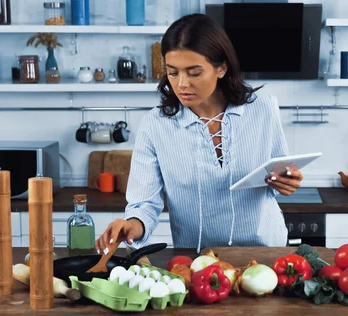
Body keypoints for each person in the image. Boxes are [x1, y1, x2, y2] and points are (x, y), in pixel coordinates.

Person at [95, 13, 304, 255]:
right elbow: (145, 204)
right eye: (173, 72)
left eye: (194, 72)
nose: (182, 83)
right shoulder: (156, 125)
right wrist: (130, 226)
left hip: (266, 253)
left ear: (222, 68)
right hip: (197, 260)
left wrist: (288, 181)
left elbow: (279, 175)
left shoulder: (263, 108)